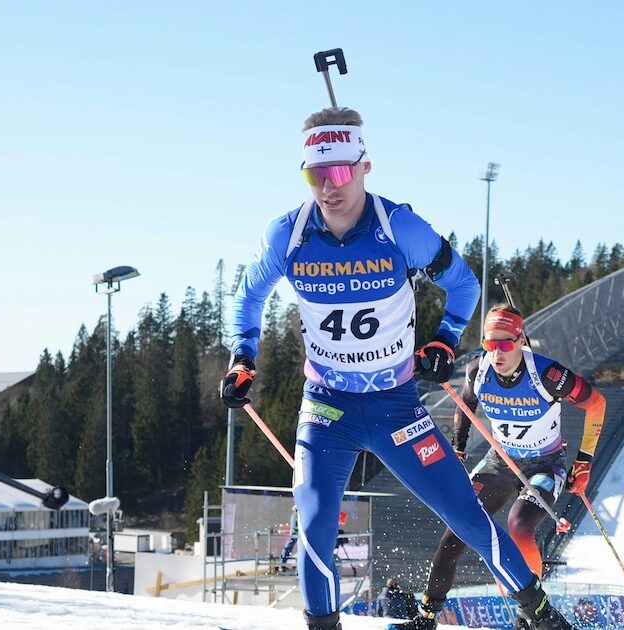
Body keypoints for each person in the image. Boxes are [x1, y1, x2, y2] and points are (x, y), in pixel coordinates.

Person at [220, 107, 572, 630]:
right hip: (327, 407)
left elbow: (465, 285)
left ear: (364, 166)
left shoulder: (398, 227)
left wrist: (444, 341)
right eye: (315, 175)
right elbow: (246, 296)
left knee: (468, 519)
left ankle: (539, 615)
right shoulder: (287, 236)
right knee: (314, 524)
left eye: (339, 172)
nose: (328, 187)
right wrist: (242, 357)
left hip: (396, 407)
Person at [395, 304, 606, 629]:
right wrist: (459, 451)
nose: (497, 352)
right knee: (456, 533)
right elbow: (466, 406)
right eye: (490, 343)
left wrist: (585, 462)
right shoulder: (478, 370)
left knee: (519, 526)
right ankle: (426, 618)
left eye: (505, 343)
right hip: (500, 462)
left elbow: (596, 403)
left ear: (520, 340)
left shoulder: (547, 376)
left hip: (545, 465)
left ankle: (531, 615)